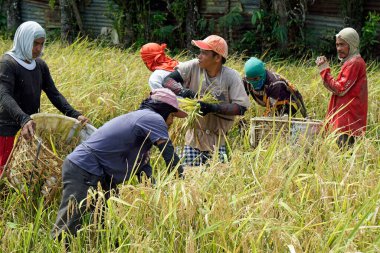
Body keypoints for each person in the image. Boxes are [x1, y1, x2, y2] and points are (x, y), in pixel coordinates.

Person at [52, 88, 187, 238]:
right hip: (85, 168)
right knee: (69, 222)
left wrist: (158, 193)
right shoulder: (154, 119)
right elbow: (170, 156)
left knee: (108, 222)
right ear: (165, 110)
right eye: (172, 116)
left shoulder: (141, 122)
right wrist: (183, 188)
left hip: (100, 174)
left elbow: (143, 169)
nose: (172, 122)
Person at [0, 21, 88, 177]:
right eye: (35, 44)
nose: (39, 49)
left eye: (42, 44)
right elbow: (4, 95)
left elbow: (53, 93)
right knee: (5, 173)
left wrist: (74, 114)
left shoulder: (39, 65)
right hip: (8, 128)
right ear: (24, 40)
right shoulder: (8, 63)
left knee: (22, 173)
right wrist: (23, 118)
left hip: (29, 127)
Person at [162, 35, 250, 166]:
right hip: (193, 139)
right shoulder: (194, 66)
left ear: (217, 58)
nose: (199, 56)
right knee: (188, 177)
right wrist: (183, 92)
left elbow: (241, 108)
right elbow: (167, 81)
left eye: (204, 53)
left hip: (217, 140)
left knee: (216, 178)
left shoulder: (231, 76)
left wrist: (212, 108)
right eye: (200, 52)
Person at [315, 27, 368, 147]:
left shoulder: (354, 63)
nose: (339, 48)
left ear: (352, 44)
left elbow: (340, 89)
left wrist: (324, 70)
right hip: (346, 118)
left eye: (342, 44)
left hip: (348, 120)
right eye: (337, 45)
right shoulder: (350, 61)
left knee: (344, 154)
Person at [243, 57, 307, 117]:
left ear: (262, 75)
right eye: (249, 79)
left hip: (288, 105)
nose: (252, 82)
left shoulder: (274, 83)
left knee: (277, 124)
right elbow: (241, 101)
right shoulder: (245, 81)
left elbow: (270, 109)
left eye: (255, 79)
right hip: (271, 104)